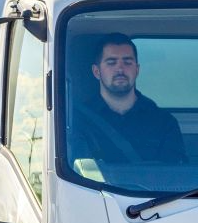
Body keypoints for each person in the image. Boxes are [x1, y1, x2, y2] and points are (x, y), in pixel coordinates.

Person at [74, 34, 185, 163]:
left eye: (127, 62)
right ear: (96, 72)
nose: (120, 69)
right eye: (111, 63)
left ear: (137, 70)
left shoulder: (164, 122)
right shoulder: (78, 120)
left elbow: (175, 171)